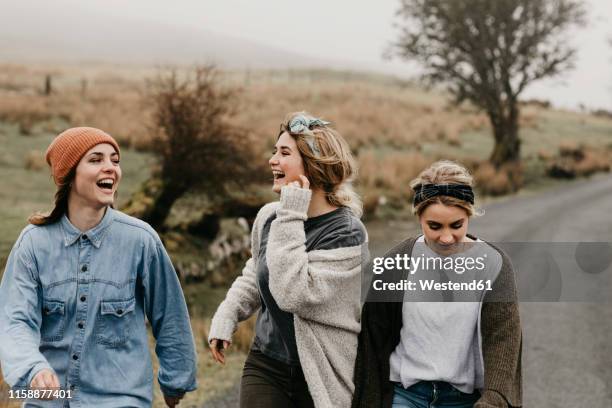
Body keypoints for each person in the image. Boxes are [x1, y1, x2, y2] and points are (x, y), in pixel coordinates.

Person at [0, 127, 197, 407]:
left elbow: (171, 316)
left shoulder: (141, 241)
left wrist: (176, 379)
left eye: (115, 160)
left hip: (121, 400)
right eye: (96, 160)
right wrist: (32, 369)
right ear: (69, 175)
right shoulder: (32, 244)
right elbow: (15, 320)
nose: (111, 168)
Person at [208, 112, 368, 408]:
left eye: (284, 153)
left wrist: (293, 214)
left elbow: (293, 294)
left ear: (314, 165)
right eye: (274, 151)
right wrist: (227, 316)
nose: (272, 161)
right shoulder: (271, 216)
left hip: (322, 371)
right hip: (267, 364)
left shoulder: (346, 232)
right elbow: (256, 272)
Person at [352, 160, 522, 408]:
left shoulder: (494, 264)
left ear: (469, 215)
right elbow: (373, 340)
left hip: (465, 401)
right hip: (406, 395)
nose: (446, 237)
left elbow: (503, 340)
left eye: (456, 225)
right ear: (419, 216)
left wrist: (493, 399)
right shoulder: (397, 262)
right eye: (434, 226)